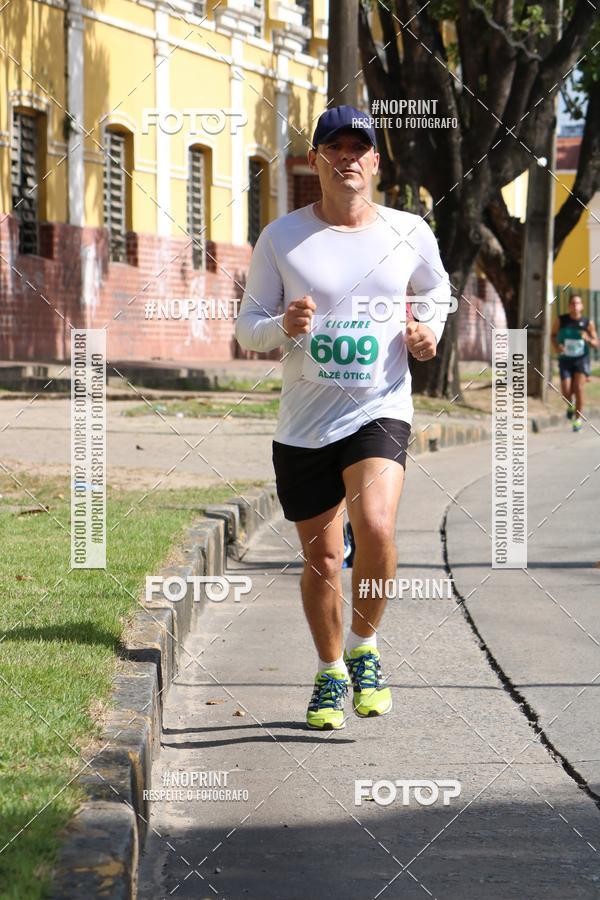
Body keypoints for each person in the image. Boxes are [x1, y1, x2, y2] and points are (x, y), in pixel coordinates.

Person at [235, 105, 450, 730]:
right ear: (316, 160)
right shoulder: (281, 237)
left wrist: (426, 330)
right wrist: (283, 326)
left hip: (379, 407)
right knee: (323, 560)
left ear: (376, 161)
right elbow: (248, 329)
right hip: (303, 425)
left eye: (361, 148)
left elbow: (437, 291)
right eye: (336, 147)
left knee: (376, 526)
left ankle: (365, 648)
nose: (349, 158)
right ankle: (330, 671)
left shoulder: (409, 230)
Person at [551, 294, 598, 432]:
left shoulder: (587, 323)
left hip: (581, 359)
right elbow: (553, 335)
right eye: (572, 303)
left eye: (578, 303)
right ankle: (570, 404)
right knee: (566, 390)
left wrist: (588, 339)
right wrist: (557, 347)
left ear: (582, 306)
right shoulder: (561, 320)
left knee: (578, 388)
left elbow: (596, 343)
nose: (575, 306)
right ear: (569, 306)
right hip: (565, 359)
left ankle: (578, 419)